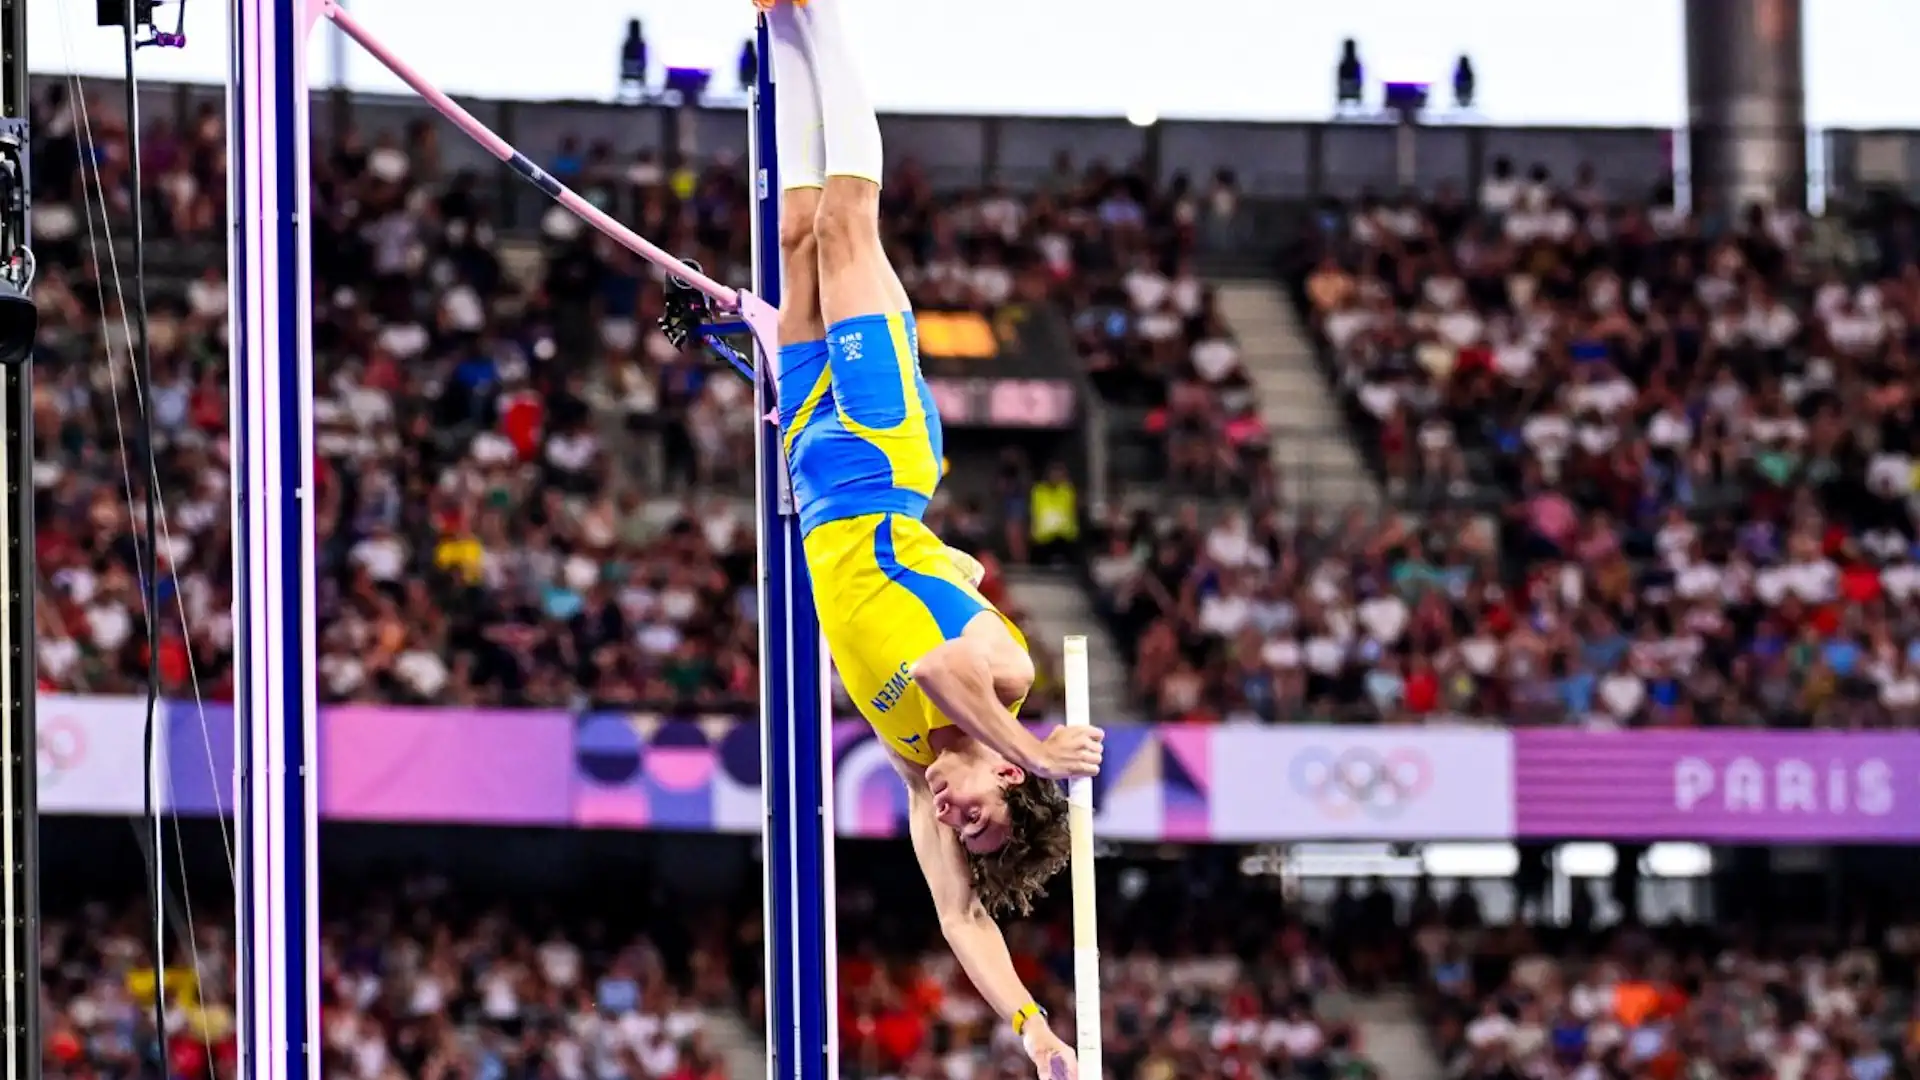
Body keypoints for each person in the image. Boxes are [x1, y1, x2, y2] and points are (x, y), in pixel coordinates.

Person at [744, 1, 1101, 1076]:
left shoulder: (913, 775)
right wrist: (1028, 746)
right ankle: (824, 26)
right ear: (1016, 786)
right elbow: (942, 669)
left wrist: (1034, 1033)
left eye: (963, 826)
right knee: (853, 223)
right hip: (881, 449)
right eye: (982, 816)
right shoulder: (1006, 673)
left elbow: (963, 925)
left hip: (813, 466)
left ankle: (781, 37)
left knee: (800, 238)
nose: (955, 812)